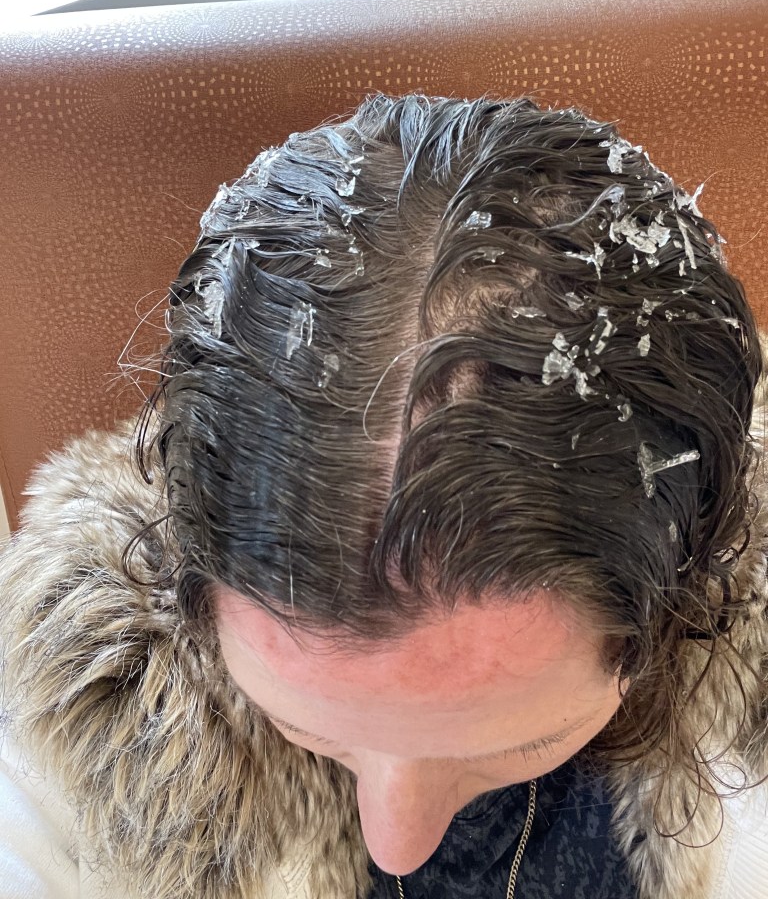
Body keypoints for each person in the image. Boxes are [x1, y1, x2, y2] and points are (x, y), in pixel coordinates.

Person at [1, 93, 766, 899]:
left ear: (684, 599)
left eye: (515, 746)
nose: (396, 844)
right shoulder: (72, 721)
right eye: (304, 728)